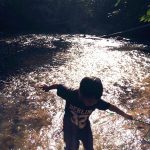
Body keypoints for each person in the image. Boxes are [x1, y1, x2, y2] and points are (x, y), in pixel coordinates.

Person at [40, 77, 133, 150]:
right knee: (71, 147)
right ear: (80, 92)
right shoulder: (70, 94)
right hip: (69, 128)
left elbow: (111, 107)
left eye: (93, 101)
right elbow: (59, 86)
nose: (90, 103)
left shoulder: (97, 101)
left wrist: (125, 115)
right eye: (88, 100)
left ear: (98, 97)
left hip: (85, 127)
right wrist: (48, 87)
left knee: (89, 147)